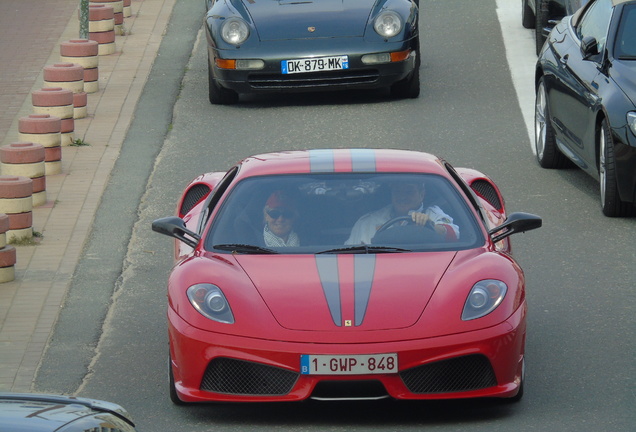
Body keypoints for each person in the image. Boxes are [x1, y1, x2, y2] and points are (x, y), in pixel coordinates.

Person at [345, 181, 459, 245]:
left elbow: (454, 234)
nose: (402, 196)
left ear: (422, 194)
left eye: (409, 191)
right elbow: (349, 257)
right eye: (397, 191)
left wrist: (429, 226)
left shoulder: (433, 214)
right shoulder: (368, 221)